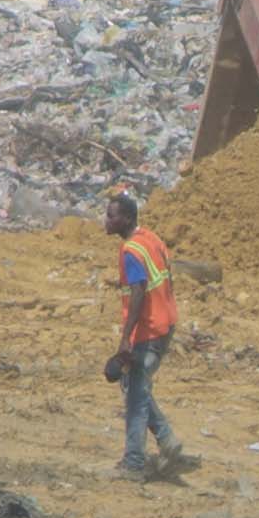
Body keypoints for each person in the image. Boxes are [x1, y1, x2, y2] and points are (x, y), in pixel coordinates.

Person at [103, 187, 190, 477]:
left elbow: (139, 292)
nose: (106, 220)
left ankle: (134, 462)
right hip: (166, 323)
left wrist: (126, 337)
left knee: (136, 397)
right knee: (134, 386)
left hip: (149, 330)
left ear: (126, 219)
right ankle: (167, 440)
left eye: (111, 216)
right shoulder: (150, 239)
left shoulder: (130, 251)